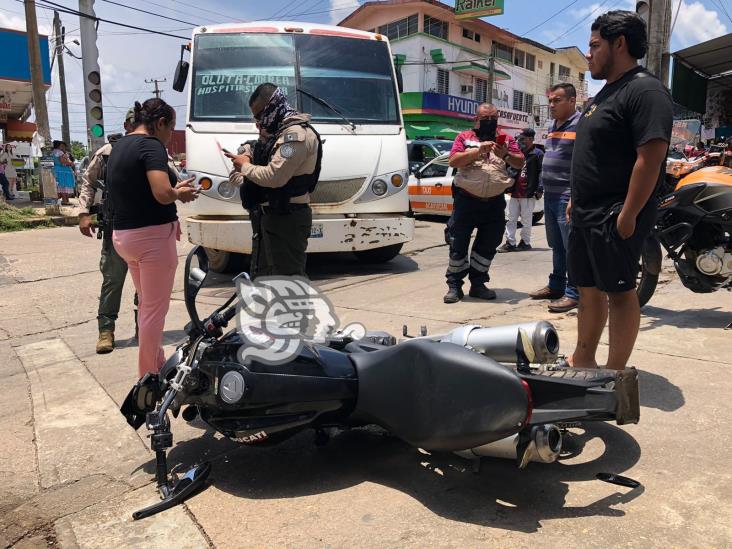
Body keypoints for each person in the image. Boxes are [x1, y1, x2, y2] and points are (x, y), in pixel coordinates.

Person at [565, 10, 672, 370]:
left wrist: (628, 215)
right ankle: (584, 359)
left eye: (595, 45)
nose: (589, 53)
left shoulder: (645, 89)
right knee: (588, 288)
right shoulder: (605, 94)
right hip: (586, 212)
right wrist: (575, 201)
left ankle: (615, 373)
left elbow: (651, 156)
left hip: (614, 213)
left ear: (619, 44)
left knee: (620, 292)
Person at [109, 98, 198, 377]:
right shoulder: (151, 145)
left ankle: (156, 361)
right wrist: (178, 193)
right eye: (170, 128)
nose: (170, 135)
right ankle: (149, 375)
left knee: (147, 304)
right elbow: (161, 192)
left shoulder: (120, 145)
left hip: (124, 237)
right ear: (160, 124)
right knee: (153, 312)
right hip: (151, 239)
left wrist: (172, 194)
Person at [226, 83, 322, 279]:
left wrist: (244, 166)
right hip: (270, 215)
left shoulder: (295, 137)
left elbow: (274, 177)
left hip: (288, 217)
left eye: (260, 115)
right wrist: (247, 153)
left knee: (287, 281)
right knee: (264, 277)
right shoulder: (277, 132)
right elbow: (260, 155)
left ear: (273, 107)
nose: (258, 122)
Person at [443, 103, 525, 304]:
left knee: (488, 244)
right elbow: (453, 161)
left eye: (494, 117)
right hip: (466, 201)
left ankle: (478, 284)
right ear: (476, 119)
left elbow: (520, 162)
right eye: (486, 118)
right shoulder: (464, 137)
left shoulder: (506, 139)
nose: (490, 121)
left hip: (494, 203)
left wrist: (504, 154)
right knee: (458, 243)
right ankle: (454, 286)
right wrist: (478, 151)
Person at [78, 108, 137, 354]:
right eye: (134, 123)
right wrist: (83, 213)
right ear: (126, 125)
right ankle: (106, 331)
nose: (137, 128)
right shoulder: (107, 153)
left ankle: (144, 327)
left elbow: (172, 180)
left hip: (147, 229)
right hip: (116, 227)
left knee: (148, 285)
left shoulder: (153, 151)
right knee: (113, 281)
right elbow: (89, 182)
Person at [528, 83, 582, 313]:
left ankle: (574, 293)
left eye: (557, 100)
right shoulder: (552, 125)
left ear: (572, 101)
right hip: (550, 194)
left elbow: (583, 164)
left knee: (572, 247)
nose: (551, 105)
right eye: (550, 100)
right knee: (556, 245)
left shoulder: (582, 124)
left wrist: (575, 197)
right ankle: (556, 285)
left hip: (566, 195)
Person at [498, 128, 543, 252]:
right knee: (511, 218)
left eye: (522, 139)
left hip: (528, 192)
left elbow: (541, 172)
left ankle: (525, 242)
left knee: (526, 220)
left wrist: (540, 188)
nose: (520, 141)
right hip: (515, 191)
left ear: (530, 139)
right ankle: (510, 242)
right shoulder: (518, 152)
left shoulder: (538, 153)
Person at [52, 140, 76, 205]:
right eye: (62, 146)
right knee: (64, 185)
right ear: (58, 146)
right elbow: (63, 161)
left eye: (64, 146)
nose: (63, 147)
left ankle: (65, 200)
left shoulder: (53, 152)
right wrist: (71, 163)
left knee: (61, 186)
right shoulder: (59, 152)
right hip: (62, 170)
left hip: (57, 170)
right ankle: (65, 200)